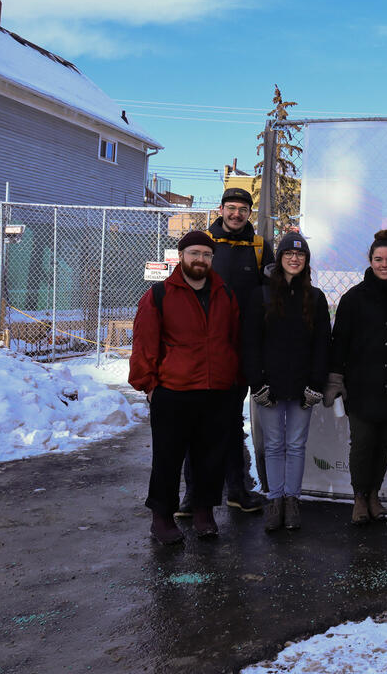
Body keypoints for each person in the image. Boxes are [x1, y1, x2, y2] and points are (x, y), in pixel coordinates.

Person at [130, 231, 240, 544]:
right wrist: (148, 385)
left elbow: (234, 341)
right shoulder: (160, 294)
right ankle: (161, 517)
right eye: (194, 253)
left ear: (212, 260)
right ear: (181, 256)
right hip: (173, 390)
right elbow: (144, 343)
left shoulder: (225, 294)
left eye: (206, 255)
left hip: (216, 390)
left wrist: (233, 379)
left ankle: (204, 513)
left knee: (211, 457)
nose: (200, 260)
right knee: (167, 458)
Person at [177, 187, 273, 517]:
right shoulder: (203, 242)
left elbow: (272, 294)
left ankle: (237, 490)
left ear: (249, 212)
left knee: (232, 422)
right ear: (221, 209)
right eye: (231, 208)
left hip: (241, 351)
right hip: (203, 350)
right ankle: (193, 496)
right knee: (195, 424)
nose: (236, 214)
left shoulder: (260, 247)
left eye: (242, 209)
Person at [242, 231, 330, 533]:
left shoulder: (315, 298)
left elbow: (322, 344)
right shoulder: (261, 295)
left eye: (301, 255)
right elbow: (250, 343)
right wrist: (257, 383)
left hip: (302, 386)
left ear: (306, 261)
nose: (295, 258)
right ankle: (275, 499)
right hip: (270, 386)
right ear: (279, 259)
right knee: (274, 444)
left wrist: (316, 384)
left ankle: (293, 499)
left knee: (296, 444)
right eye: (289, 254)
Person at [326, 229, 387, 524]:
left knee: (383, 443)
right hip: (361, 385)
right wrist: (336, 380)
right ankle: (359, 497)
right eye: (378, 259)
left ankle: (375, 494)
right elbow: (339, 343)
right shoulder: (353, 298)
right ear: (370, 261)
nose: (384, 264)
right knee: (362, 443)